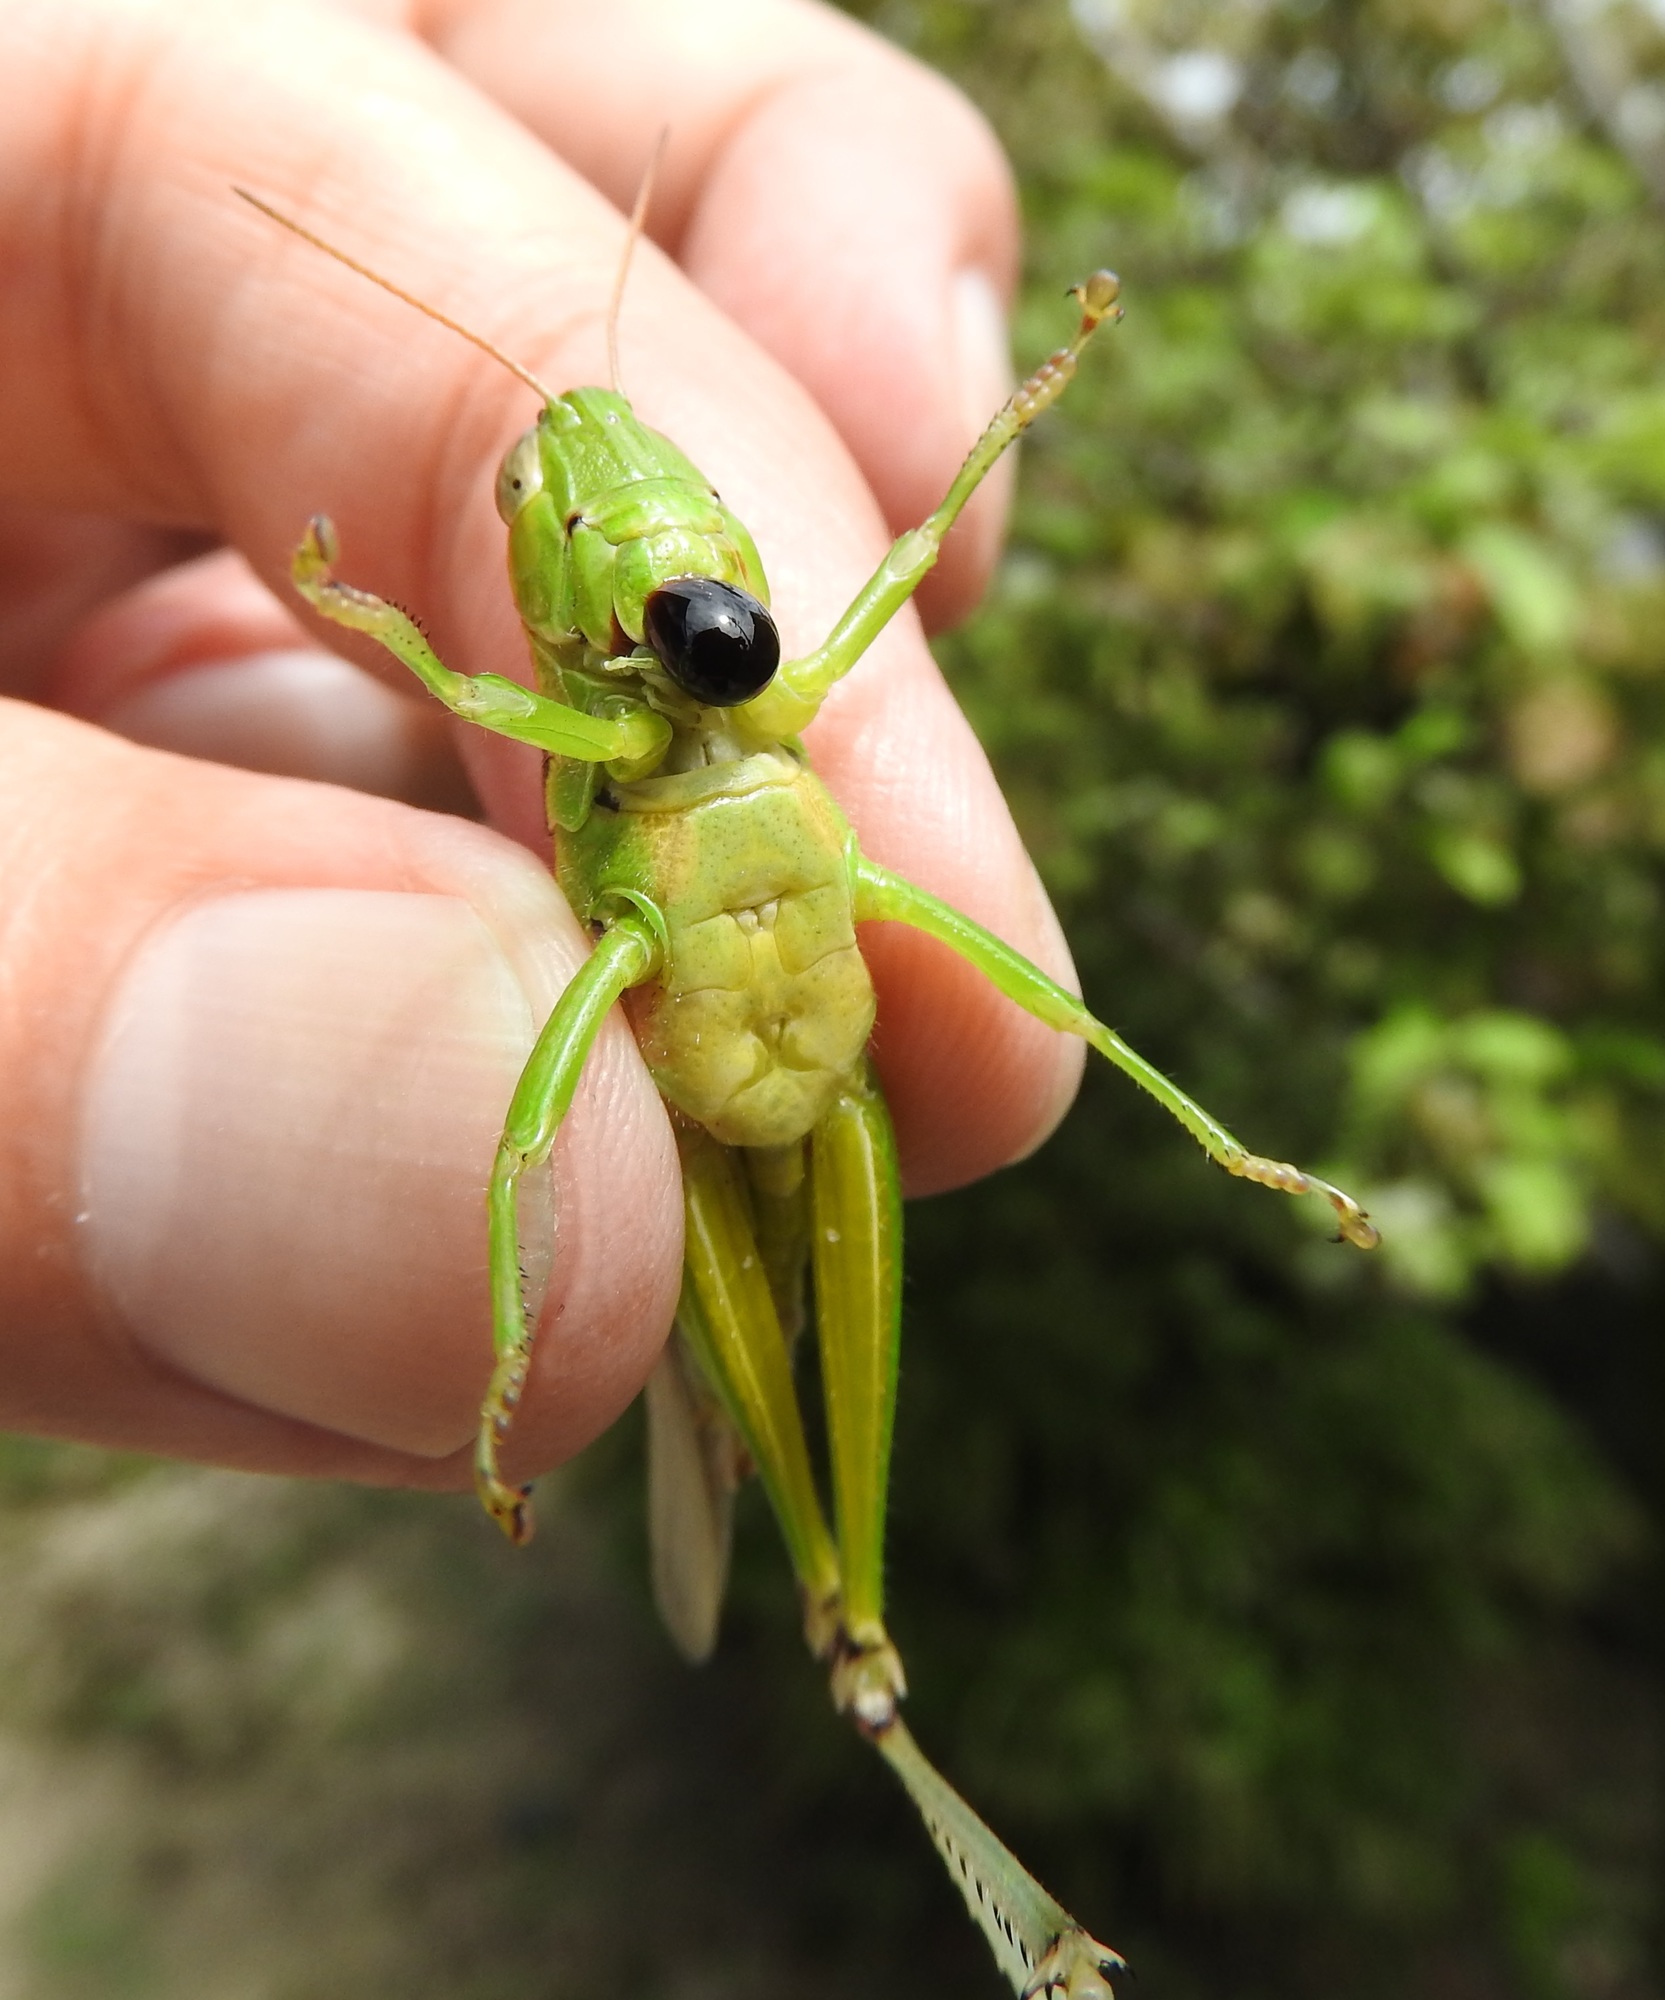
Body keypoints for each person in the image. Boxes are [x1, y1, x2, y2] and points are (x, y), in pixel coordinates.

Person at [0, 0, 1086, 1500]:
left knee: (1019, 1012)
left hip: (838, 1095)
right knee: (570, 1174)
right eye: (534, 476)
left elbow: (899, 558)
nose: (598, 464)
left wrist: (1021, 403)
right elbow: (481, 692)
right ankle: (824, 1607)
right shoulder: (584, 717)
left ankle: (1232, 1168)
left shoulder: (765, 674)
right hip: (688, 1097)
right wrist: (374, 623)